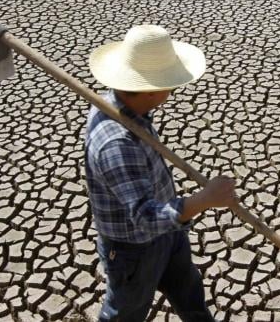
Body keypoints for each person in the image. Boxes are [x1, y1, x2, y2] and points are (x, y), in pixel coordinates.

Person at [84, 25, 237, 321]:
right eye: (170, 81)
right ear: (151, 90)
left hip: (169, 232)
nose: (174, 87)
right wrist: (206, 198)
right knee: (125, 313)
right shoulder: (117, 144)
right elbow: (145, 216)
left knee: (188, 292)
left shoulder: (129, 108)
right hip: (134, 248)